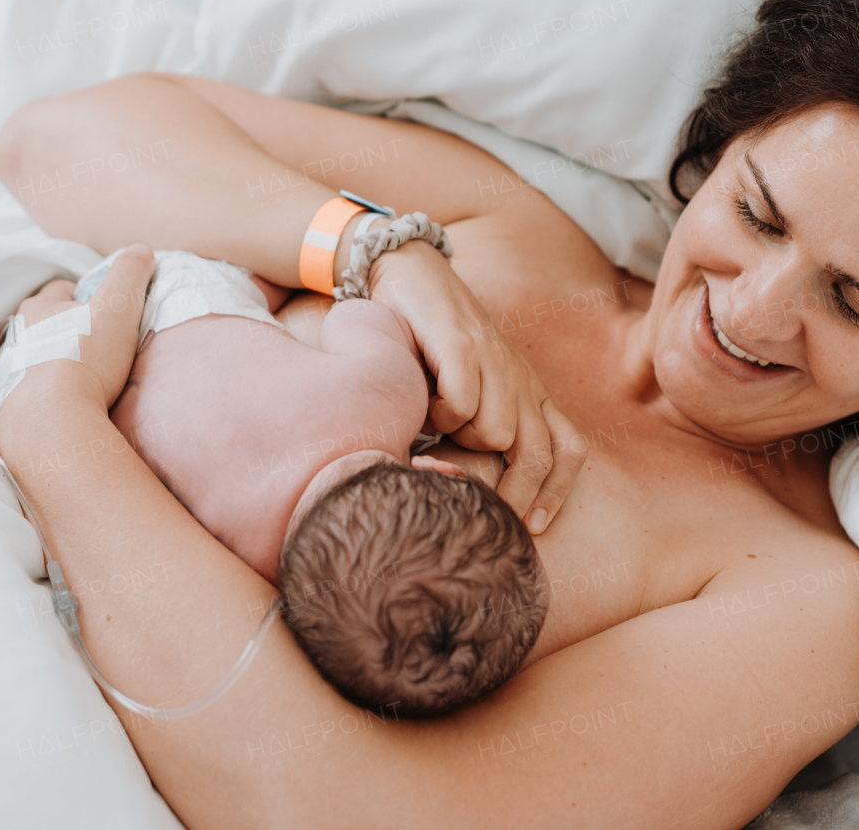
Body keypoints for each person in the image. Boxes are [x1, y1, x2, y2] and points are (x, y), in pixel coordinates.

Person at [0, 0, 859, 827]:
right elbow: (60, 139)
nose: (752, 313)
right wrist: (373, 253)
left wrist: (52, 426)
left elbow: (358, 814)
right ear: (717, 152)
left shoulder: (793, 594)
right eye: (757, 214)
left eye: (856, 303)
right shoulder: (508, 239)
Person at [72, 247, 549, 718]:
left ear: (443, 469)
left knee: (277, 277)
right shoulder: (245, 560)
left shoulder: (388, 397)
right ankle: (52, 298)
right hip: (99, 369)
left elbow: (355, 314)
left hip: (184, 291)